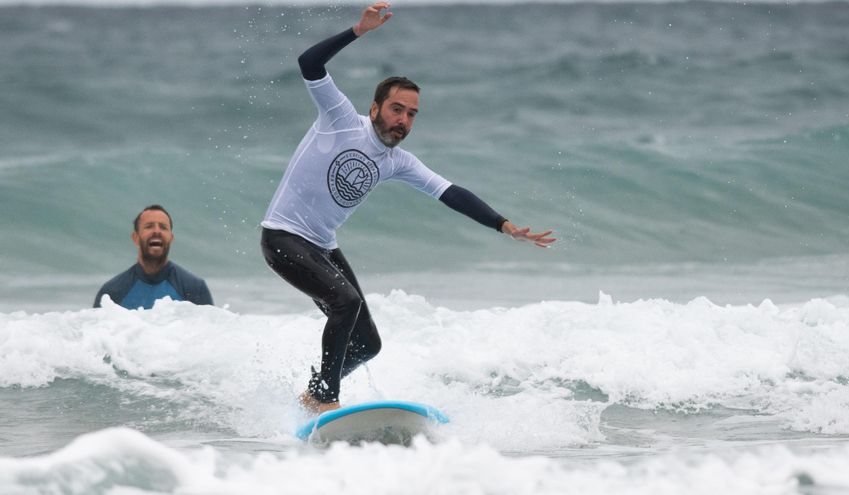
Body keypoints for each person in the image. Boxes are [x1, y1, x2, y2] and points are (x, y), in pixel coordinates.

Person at [260, 2, 556, 414]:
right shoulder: (341, 119)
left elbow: (451, 192)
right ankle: (325, 400)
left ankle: (311, 393)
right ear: (376, 107)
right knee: (346, 304)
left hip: (322, 246)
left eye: (412, 114)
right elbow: (309, 62)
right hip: (282, 236)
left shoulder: (397, 161)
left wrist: (504, 226)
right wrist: (357, 31)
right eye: (397, 109)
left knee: (368, 344)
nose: (403, 120)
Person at [94, 204, 213, 310]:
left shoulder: (194, 288)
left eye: (163, 227)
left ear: (171, 238)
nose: (157, 231)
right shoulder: (111, 293)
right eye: (149, 226)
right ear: (135, 237)